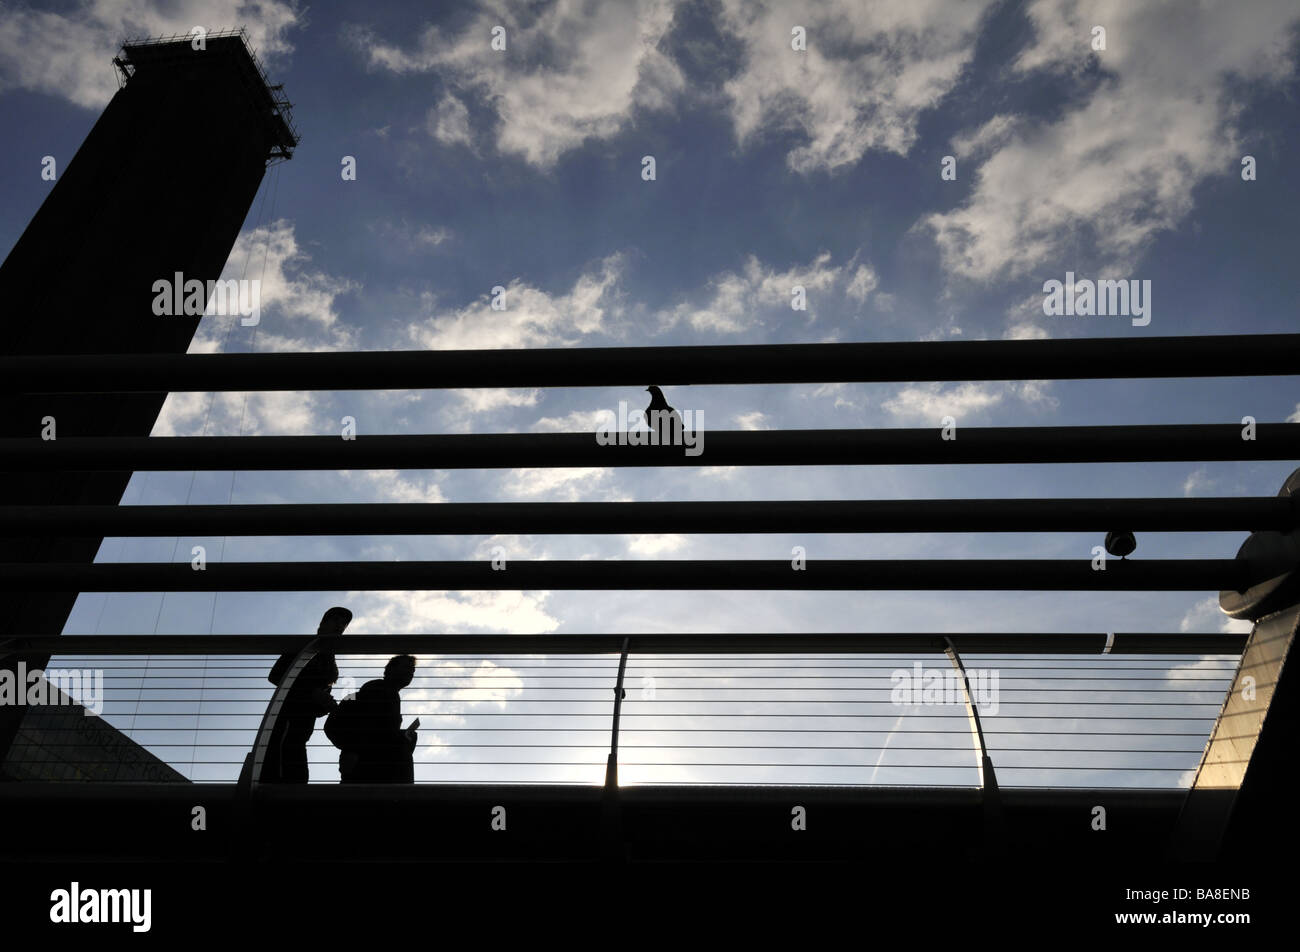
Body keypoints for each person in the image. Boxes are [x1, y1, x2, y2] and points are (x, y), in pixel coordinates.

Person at [261, 606, 351, 783]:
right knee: (280, 778)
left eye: (344, 623)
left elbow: (316, 708)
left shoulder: (330, 661)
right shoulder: (303, 646)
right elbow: (276, 675)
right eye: (336, 620)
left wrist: (325, 704)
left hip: (301, 731)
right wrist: (311, 693)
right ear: (322, 624)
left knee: (297, 779)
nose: (340, 625)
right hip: (285, 723)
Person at [339, 654, 418, 784]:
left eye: (412, 670)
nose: (411, 672)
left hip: (369, 764)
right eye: (406, 667)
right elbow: (368, 727)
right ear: (391, 669)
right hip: (369, 766)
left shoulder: (387, 693)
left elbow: (380, 730)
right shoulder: (379, 690)